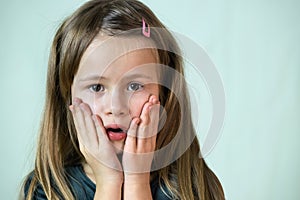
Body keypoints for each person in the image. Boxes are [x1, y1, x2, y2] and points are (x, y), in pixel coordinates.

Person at [22, 0, 225, 199]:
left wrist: (137, 182)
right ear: (67, 96)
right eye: (97, 87)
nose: (116, 108)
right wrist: (108, 181)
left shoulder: (195, 188)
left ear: (164, 93)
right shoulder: (45, 190)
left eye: (134, 86)